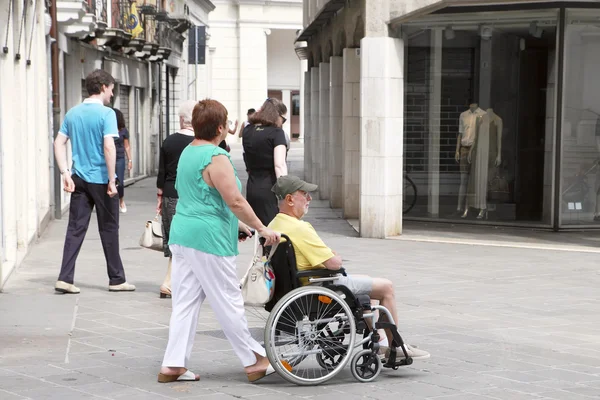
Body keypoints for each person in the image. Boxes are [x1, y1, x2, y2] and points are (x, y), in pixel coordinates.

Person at [158, 99, 281, 383]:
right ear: (221, 127)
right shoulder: (216, 157)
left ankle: (173, 364)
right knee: (228, 300)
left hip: (183, 234)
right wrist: (261, 227)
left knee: (186, 303)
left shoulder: (189, 151)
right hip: (208, 239)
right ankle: (254, 360)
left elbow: (199, 195)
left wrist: (236, 223)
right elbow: (235, 200)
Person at [267, 175, 430, 361]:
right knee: (387, 287)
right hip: (321, 286)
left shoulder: (274, 225)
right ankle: (396, 347)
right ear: (289, 199)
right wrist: (335, 255)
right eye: (305, 194)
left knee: (369, 290)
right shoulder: (300, 228)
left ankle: (383, 344)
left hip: (300, 286)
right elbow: (334, 263)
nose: (309, 199)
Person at [53, 69, 135, 294]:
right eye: (111, 89)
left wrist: (65, 172)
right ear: (102, 88)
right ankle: (116, 279)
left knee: (75, 229)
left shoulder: (73, 113)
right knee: (109, 228)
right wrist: (112, 180)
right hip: (101, 179)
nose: (112, 94)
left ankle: (65, 278)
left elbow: (58, 143)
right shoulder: (107, 114)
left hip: (79, 178)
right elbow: (109, 146)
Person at [156, 100, 196, 299]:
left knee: (175, 239)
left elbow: (162, 173)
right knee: (189, 241)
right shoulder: (200, 143)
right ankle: (171, 281)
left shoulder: (169, 141)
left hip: (171, 195)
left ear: (181, 119)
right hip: (192, 196)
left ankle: (173, 281)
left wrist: (159, 197)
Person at [242, 98, 288, 225]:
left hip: (252, 185)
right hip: (269, 186)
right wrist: (286, 191)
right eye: (283, 119)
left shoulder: (247, 131)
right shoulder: (277, 133)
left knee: (259, 228)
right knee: (273, 230)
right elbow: (279, 165)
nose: (283, 123)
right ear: (276, 115)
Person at [112, 108, 132, 213]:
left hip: (120, 158)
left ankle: (121, 200)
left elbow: (127, 146)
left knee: (119, 182)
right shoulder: (108, 128)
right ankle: (112, 203)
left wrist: (130, 160)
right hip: (108, 157)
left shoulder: (123, 130)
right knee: (110, 181)